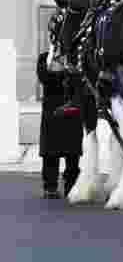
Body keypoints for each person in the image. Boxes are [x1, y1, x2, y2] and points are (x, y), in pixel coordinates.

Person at [36, 50, 83, 199]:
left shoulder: (76, 57)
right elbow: (44, 77)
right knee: (50, 152)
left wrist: (61, 71)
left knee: (73, 154)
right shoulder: (44, 57)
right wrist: (66, 71)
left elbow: (78, 80)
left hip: (72, 110)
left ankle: (71, 185)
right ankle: (50, 186)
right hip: (52, 111)